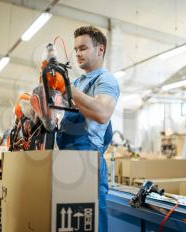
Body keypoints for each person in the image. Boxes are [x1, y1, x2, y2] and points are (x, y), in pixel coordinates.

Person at [56, 25, 120, 232]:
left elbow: (102, 113)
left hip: (88, 165)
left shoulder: (105, 80)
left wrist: (67, 88)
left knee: (91, 224)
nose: (77, 54)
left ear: (100, 50)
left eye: (83, 48)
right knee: (70, 224)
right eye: (75, 49)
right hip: (67, 162)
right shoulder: (77, 82)